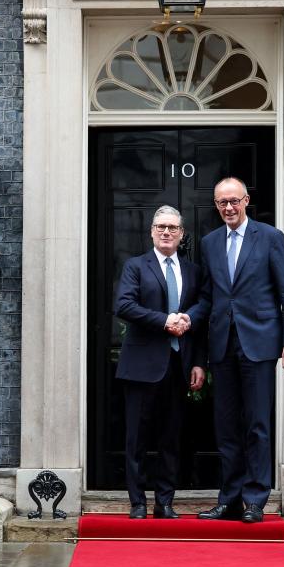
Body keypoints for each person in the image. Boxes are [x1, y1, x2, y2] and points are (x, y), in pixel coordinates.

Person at [187, 177, 284, 523]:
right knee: (225, 428)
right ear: (216, 205)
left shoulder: (270, 237)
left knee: (256, 425)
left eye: (234, 201)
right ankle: (230, 498)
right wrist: (186, 319)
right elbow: (208, 297)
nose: (228, 208)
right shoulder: (209, 243)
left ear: (246, 200)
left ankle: (255, 499)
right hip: (222, 345)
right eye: (222, 203)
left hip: (259, 344)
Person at [115, 205, 206, 520]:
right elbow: (124, 305)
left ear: (181, 234)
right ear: (151, 232)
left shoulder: (192, 271)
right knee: (137, 439)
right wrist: (164, 320)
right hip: (141, 366)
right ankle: (138, 502)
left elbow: (202, 309)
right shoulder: (136, 266)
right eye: (161, 227)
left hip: (178, 365)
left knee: (171, 438)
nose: (166, 232)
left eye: (172, 227)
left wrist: (197, 361)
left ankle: (164, 502)